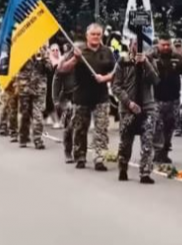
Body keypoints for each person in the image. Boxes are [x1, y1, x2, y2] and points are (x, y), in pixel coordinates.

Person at [56, 23, 116, 171]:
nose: (96, 37)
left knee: (101, 129)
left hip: (101, 96)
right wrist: (75, 59)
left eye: (98, 34)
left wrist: (105, 78)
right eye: (93, 34)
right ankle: (80, 155)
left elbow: (116, 73)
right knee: (80, 128)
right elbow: (62, 69)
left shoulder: (107, 51)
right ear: (87, 35)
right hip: (81, 96)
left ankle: (99, 158)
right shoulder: (78, 50)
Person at [113, 38, 159, 184]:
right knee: (125, 141)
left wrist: (145, 62)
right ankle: (123, 167)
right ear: (129, 46)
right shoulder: (122, 62)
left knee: (147, 141)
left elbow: (155, 80)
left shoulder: (150, 61)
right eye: (134, 45)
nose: (136, 48)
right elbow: (116, 86)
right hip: (128, 109)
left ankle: (145, 172)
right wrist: (128, 102)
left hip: (147, 108)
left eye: (140, 45)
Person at [152, 35, 182, 164]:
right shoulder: (151, 57)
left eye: (167, 45)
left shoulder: (177, 57)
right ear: (158, 44)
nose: (165, 47)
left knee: (169, 125)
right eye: (163, 45)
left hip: (173, 97)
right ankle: (157, 151)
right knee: (157, 126)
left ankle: (165, 150)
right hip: (156, 97)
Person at [16, 46, 50, 149]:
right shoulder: (20, 49)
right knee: (24, 114)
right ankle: (23, 136)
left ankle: (37, 139)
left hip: (39, 88)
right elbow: (15, 67)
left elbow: (50, 68)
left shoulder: (43, 50)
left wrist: (42, 61)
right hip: (24, 87)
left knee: (38, 114)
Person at [52, 50, 77, 162]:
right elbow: (56, 81)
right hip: (67, 97)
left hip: (81, 95)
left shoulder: (87, 57)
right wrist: (56, 100)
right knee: (69, 126)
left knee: (81, 127)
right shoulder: (65, 59)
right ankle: (68, 151)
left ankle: (80, 153)